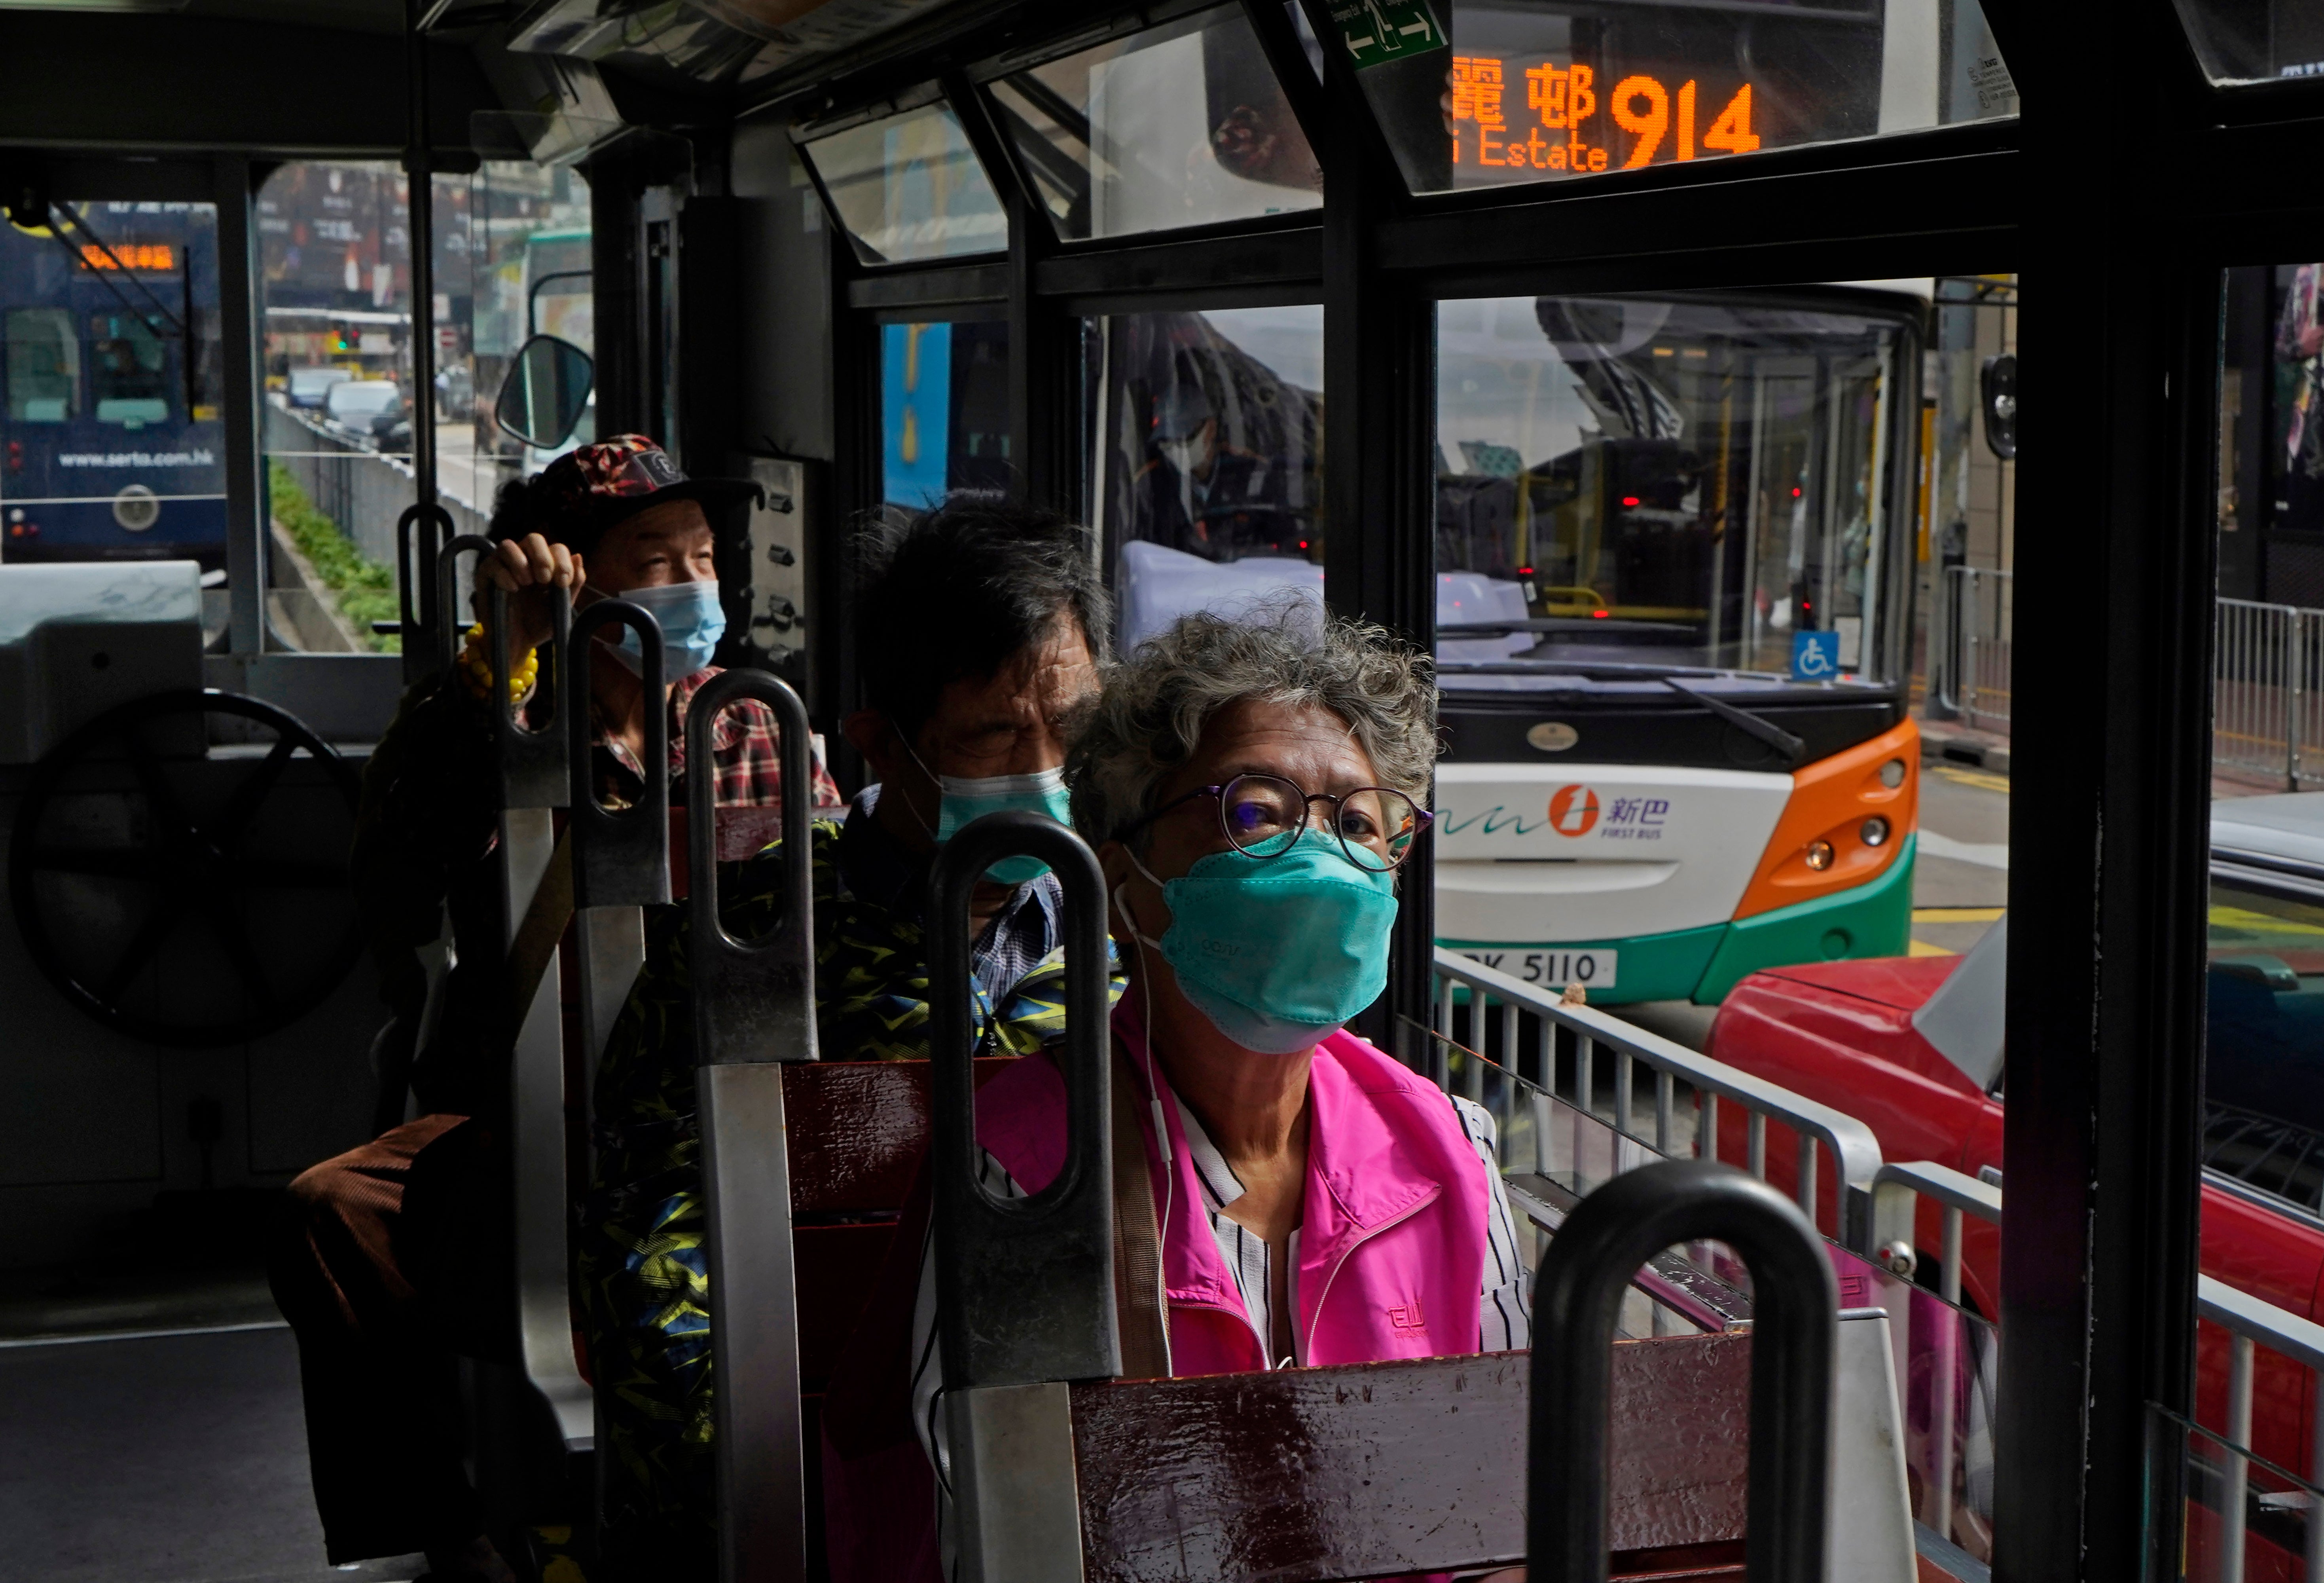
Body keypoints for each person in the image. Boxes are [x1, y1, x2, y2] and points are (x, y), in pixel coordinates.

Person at [824, 605, 1532, 1583]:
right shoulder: (1025, 1167)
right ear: (1122, 874)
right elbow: (1000, 1528)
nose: (1322, 857)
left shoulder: (1449, 1145)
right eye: (1258, 808)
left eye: (1361, 823)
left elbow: (1505, 1492)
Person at [267, 436, 809, 1582]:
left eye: (705, 557)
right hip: (540, 1103)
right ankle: (443, 1531)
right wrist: (495, 668)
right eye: (657, 561)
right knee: (329, 1218)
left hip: (724, 1095)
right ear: (579, 582)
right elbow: (402, 875)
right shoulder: (503, 729)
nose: (695, 587)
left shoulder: (752, 725)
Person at [578, 499, 1119, 1574]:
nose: (1046, 769)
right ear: (881, 743)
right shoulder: (754, 941)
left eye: (1072, 727)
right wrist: (819, 1501)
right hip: (803, 1461)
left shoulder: (1125, 942)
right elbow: (654, 1262)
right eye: (995, 737)